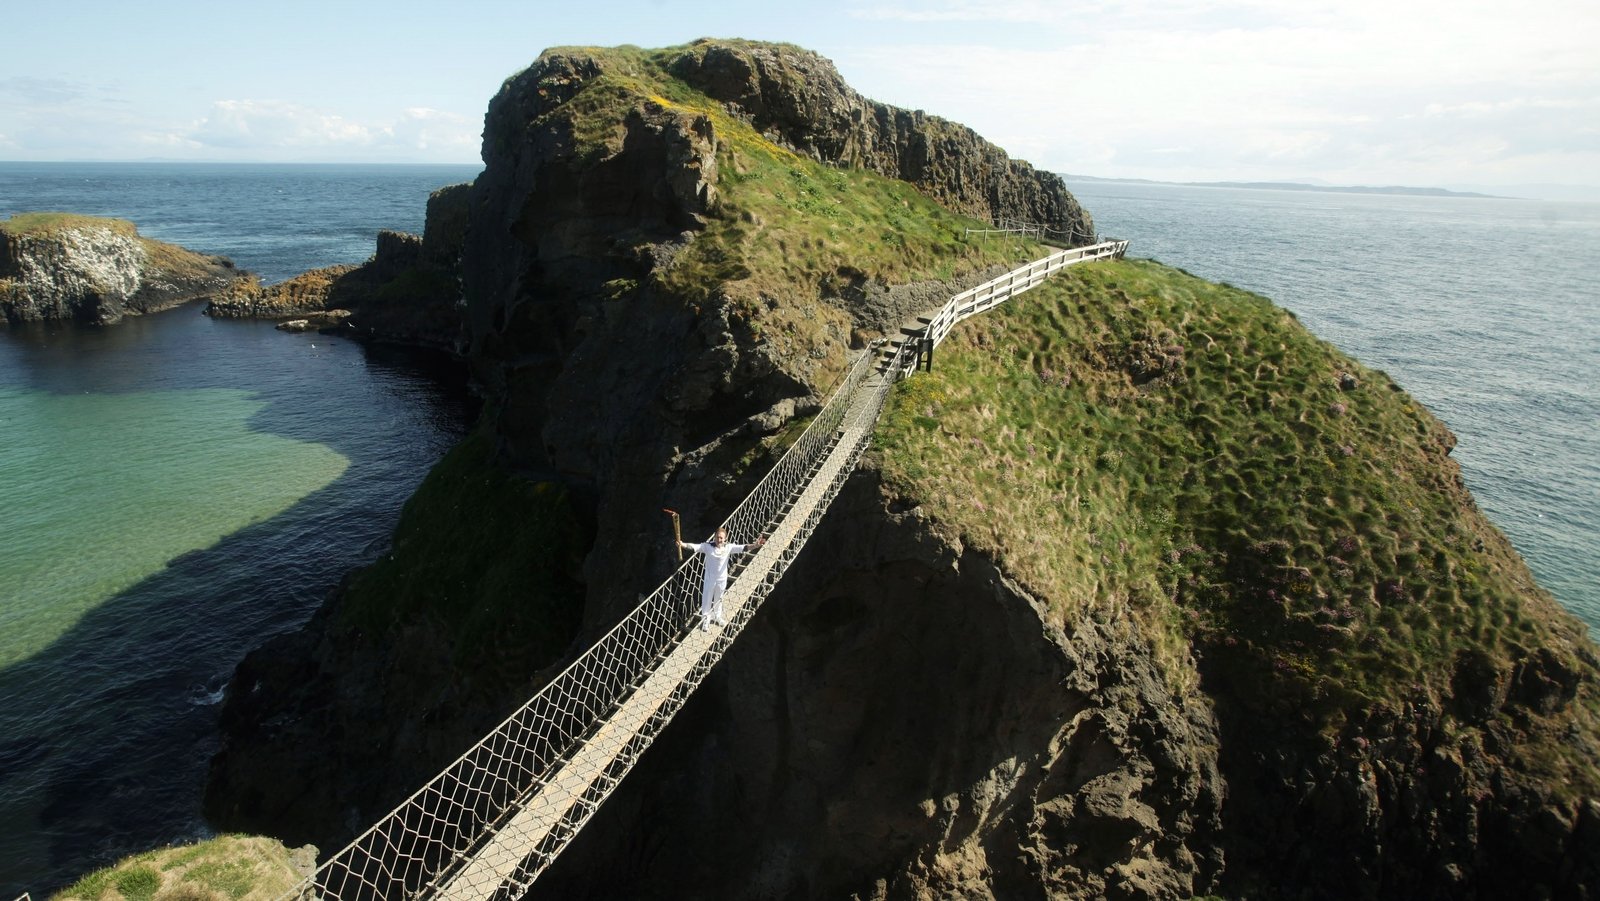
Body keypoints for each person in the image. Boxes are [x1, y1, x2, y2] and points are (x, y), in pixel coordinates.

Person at [680, 526, 766, 631]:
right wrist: (682, 544)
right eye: (717, 537)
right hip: (710, 579)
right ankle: (705, 620)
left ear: (725, 538)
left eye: (721, 538)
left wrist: (756, 545)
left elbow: (743, 548)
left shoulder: (728, 547)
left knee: (719, 598)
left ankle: (717, 616)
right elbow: (694, 547)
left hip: (722, 579)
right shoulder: (707, 546)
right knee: (707, 599)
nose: (719, 540)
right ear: (714, 537)